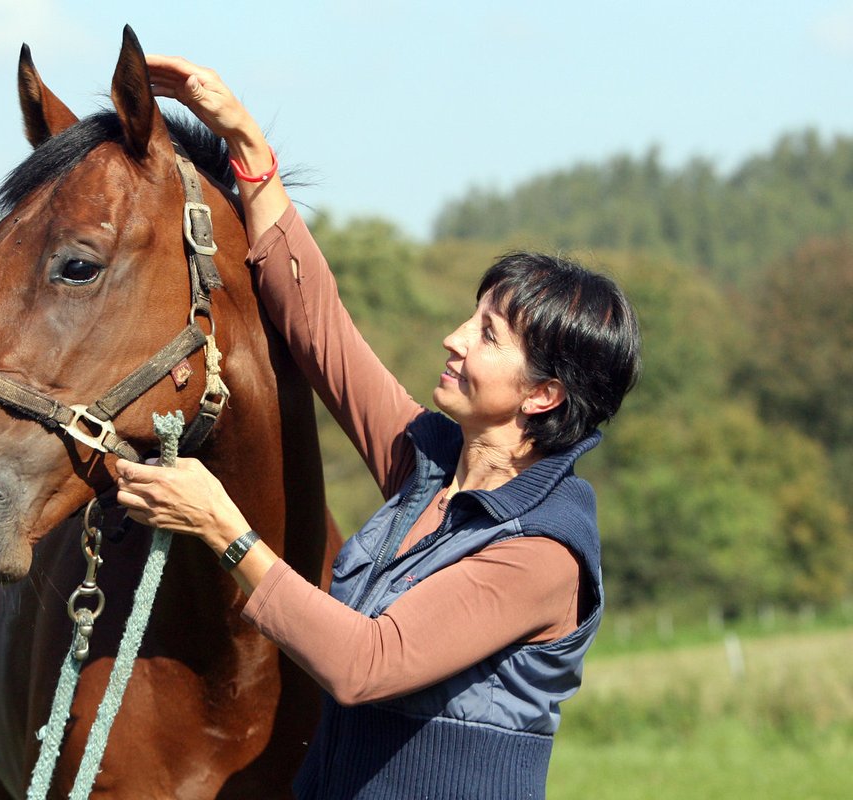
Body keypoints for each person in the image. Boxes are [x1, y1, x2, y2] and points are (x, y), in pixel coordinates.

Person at [116, 55, 641, 800]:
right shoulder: (428, 461)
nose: (456, 338)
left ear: (544, 395)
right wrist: (247, 146)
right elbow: (323, 332)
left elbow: (365, 665)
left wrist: (223, 530)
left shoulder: (543, 552)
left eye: (488, 335)